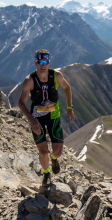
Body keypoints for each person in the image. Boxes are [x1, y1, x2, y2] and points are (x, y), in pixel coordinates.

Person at [18, 49, 75, 186]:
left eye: (45, 62)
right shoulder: (29, 81)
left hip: (53, 117)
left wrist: (69, 107)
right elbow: (21, 102)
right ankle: (46, 173)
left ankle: (54, 159)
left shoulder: (56, 76)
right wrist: (32, 120)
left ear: (49, 62)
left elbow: (67, 88)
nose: (42, 65)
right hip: (37, 119)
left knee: (58, 152)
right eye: (39, 62)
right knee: (43, 152)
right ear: (35, 63)